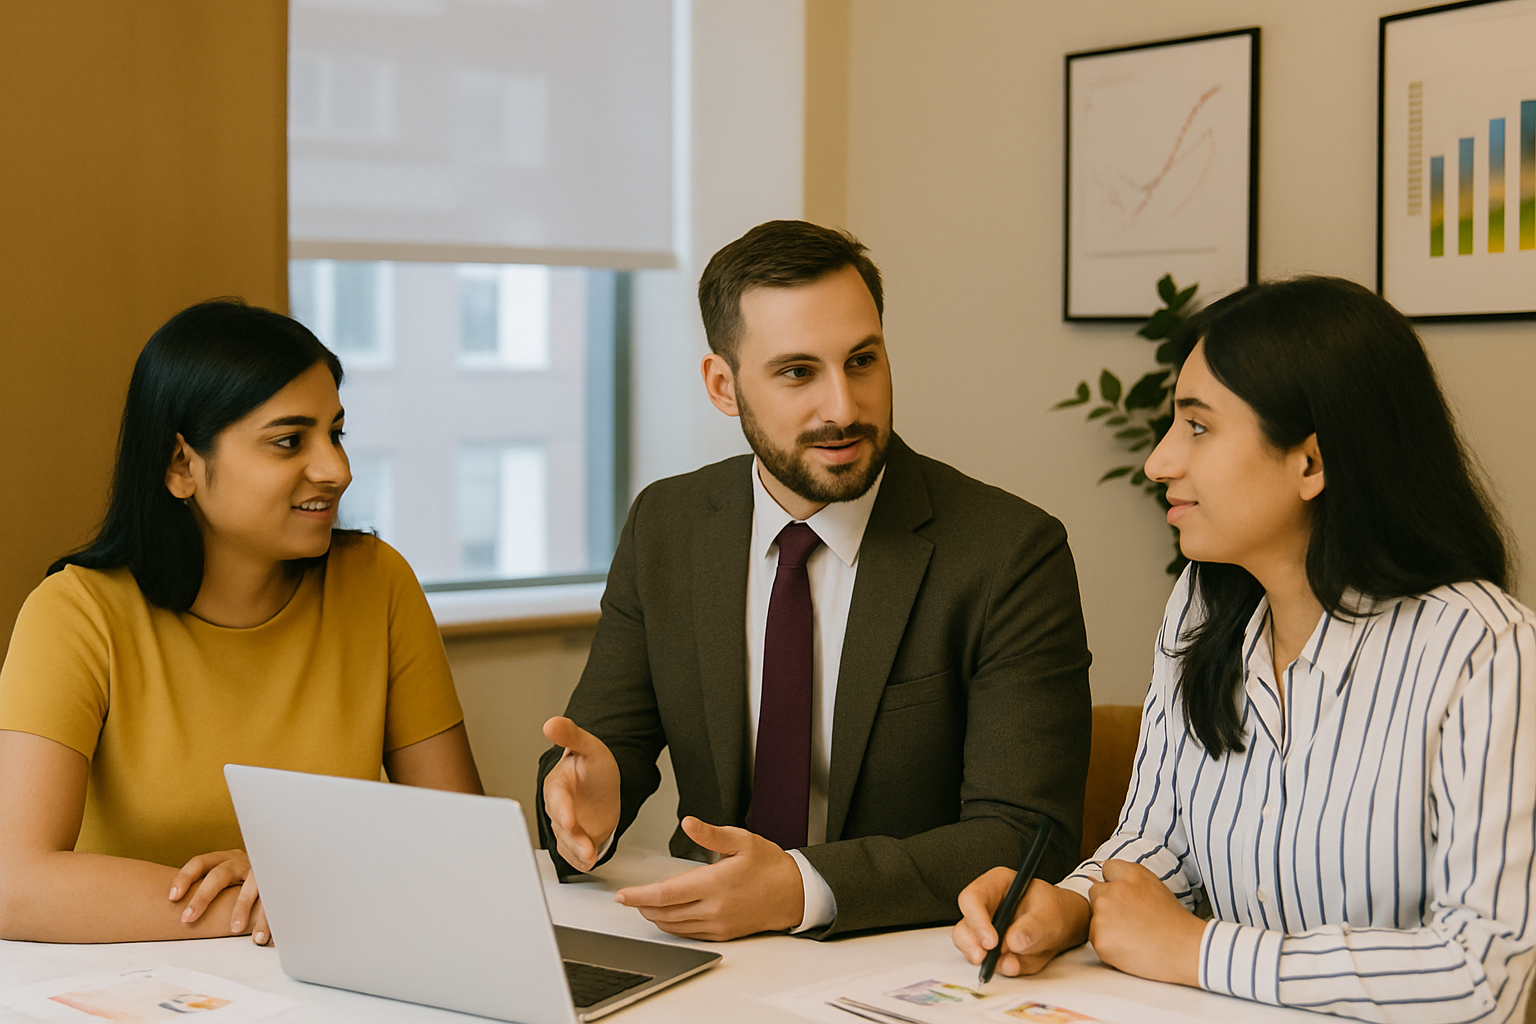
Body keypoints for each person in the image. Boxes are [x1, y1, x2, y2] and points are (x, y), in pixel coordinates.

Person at [953, 276, 1536, 1023]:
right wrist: (1067, 906)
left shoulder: (1485, 653)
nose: (1159, 462)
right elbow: (1156, 842)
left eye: (1197, 427)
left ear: (1312, 463)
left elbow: (1481, 979)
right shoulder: (1202, 605)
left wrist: (1197, 951)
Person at [537, 220, 1092, 941]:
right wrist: (588, 801)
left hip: (905, 954)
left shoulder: (1010, 552)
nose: (844, 407)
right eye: (798, 372)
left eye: (862, 361)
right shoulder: (667, 525)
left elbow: (1027, 832)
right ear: (723, 386)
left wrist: (801, 891)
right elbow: (599, 748)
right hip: (706, 946)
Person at [0, 300, 482, 945]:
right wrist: (268, 903)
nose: (336, 470)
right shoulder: (76, 613)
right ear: (181, 465)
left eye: (335, 433)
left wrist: (303, 883)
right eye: (289, 441)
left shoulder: (377, 583)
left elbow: (464, 845)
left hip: (335, 976)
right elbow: (15, 884)